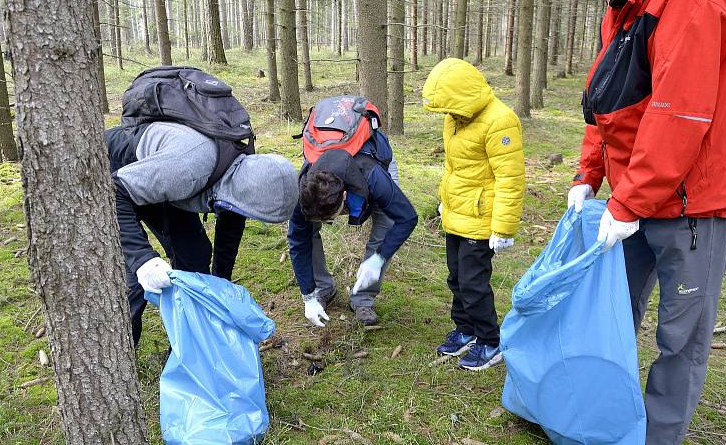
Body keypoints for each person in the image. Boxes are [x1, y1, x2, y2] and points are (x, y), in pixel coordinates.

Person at [560, 0, 726, 442]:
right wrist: (591, 172)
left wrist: (628, 202)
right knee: (611, 307)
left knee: (681, 336)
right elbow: (609, 98)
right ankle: (604, 418)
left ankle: (654, 437)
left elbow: (681, 113)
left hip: (697, 201)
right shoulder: (624, 4)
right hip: (638, 197)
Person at [106, 122, 299, 345]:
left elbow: (230, 228)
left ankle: (189, 351)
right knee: (131, 278)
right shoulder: (187, 168)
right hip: (120, 172)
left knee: (194, 258)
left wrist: (219, 286)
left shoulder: (241, 180)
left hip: (167, 183)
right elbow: (114, 191)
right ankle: (119, 352)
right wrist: (143, 260)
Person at [422, 58, 525, 371]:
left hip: (482, 221)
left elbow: (510, 178)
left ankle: (490, 341)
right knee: (456, 277)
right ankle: (465, 329)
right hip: (457, 213)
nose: (447, 114)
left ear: (463, 96)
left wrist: (503, 229)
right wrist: (445, 201)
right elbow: (454, 168)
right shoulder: (455, 119)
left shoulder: (500, 121)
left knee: (473, 283)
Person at [287, 95, 418, 327]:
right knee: (307, 231)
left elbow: (407, 218)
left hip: (376, 160)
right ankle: (322, 290)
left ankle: (363, 298)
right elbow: (297, 239)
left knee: (386, 222)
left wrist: (379, 258)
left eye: (330, 217)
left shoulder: (375, 178)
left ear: (344, 197)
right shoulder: (306, 186)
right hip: (333, 165)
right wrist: (307, 296)